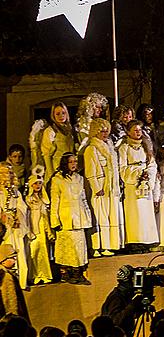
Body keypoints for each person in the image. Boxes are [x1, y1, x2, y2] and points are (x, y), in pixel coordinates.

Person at [83, 118, 124, 257]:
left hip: (111, 188)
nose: (105, 133)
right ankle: (96, 247)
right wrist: (96, 187)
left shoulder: (109, 147)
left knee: (110, 217)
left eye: (106, 130)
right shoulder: (91, 149)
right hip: (100, 189)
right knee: (99, 218)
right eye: (102, 131)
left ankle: (109, 245)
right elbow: (90, 171)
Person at [49, 153, 92, 285]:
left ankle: (77, 272)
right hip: (66, 218)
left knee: (79, 246)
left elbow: (83, 199)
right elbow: (55, 201)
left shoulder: (79, 178)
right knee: (68, 247)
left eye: (75, 162)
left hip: (79, 217)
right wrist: (55, 220)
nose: (74, 164)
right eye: (71, 162)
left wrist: (88, 216)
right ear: (65, 164)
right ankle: (67, 273)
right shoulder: (57, 180)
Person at [118, 120, 159, 247]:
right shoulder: (124, 148)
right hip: (132, 186)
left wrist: (148, 175)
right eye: (135, 130)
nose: (138, 133)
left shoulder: (145, 147)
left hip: (145, 184)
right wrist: (138, 173)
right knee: (135, 214)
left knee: (146, 213)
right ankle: (135, 241)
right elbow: (122, 168)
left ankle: (148, 240)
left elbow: (152, 164)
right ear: (128, 132)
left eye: (140, 130)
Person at [0, 162, 30, 288]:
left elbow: (21, 205)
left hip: (16, 225)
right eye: (6, 172)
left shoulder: (15, 191)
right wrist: (4, 217)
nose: (9, 175)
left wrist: (18, 215)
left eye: (11, 172)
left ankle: (21, 282)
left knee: (19, 251)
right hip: (5, 227)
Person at [23, 167, 53, 285]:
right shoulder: (28, 199)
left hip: (42, 227)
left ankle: (45, 274)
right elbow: (26, 216)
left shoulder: (43, 198)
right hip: (33, 228)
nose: (38, 185)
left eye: (40, 183)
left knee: (43, 251)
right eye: (36, 183)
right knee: (34, 251)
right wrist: (29, 230)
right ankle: (35, 275)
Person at [39, 101, 75, 175]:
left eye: (63, 113)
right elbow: (47, 155)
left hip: (70, 167)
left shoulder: (70, 129)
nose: (61, 116)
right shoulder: (50, 131)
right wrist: (51, 174)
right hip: (57, 167)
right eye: (57, 114)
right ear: (53, 115)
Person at [0, 244, 29, 320]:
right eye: (12, 258)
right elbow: (10, 299)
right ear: (3, 261)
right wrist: (13, 317)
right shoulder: (6, 276)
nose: (15, 260)